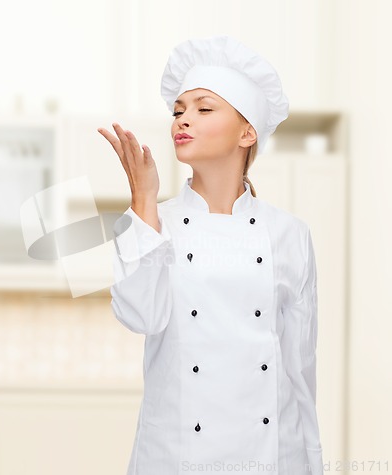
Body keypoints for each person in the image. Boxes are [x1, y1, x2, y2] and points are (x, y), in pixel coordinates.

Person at [97, 35, 324, 475]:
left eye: (204, 108)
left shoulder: (289, 234)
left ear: (247, 131)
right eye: (179, 110)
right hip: (175, 456)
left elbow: (300, 370)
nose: (183, 119)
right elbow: (140, 315)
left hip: (271, 455)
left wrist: (310, 462)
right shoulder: (148, 222)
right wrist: (142, 198)